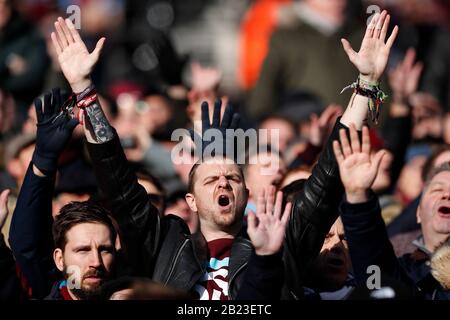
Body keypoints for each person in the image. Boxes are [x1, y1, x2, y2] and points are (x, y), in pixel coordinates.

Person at [50, 11, 397, 299]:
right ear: (191, 200)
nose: (224, 184)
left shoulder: (282, 239)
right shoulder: (165, 242)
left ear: (246, 194)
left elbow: (326, 181)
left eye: (232, 178)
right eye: (211, 179)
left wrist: (366, 84)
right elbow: (117, 180)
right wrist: (84, 90)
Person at [334, 123, 450, 299]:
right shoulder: (403, 270)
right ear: (417, 212)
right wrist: (358, 197)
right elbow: (374, 273)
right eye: (437, 190)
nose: (447, 195)